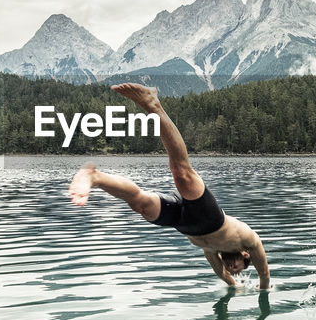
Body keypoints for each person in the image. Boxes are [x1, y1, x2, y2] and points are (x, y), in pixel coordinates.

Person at [68, 83, 270, 290]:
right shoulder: (248, 240)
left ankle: (95, 176)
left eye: (233, 270)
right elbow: (264, 273)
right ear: (245, 256)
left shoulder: (212, 253)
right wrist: (263, 288)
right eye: (237, 267)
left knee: (141, 205)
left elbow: (223, 275)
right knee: (181, 173)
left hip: (183, 223)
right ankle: (153, 104)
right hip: (209, 216)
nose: (232, 268)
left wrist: (234, 284)